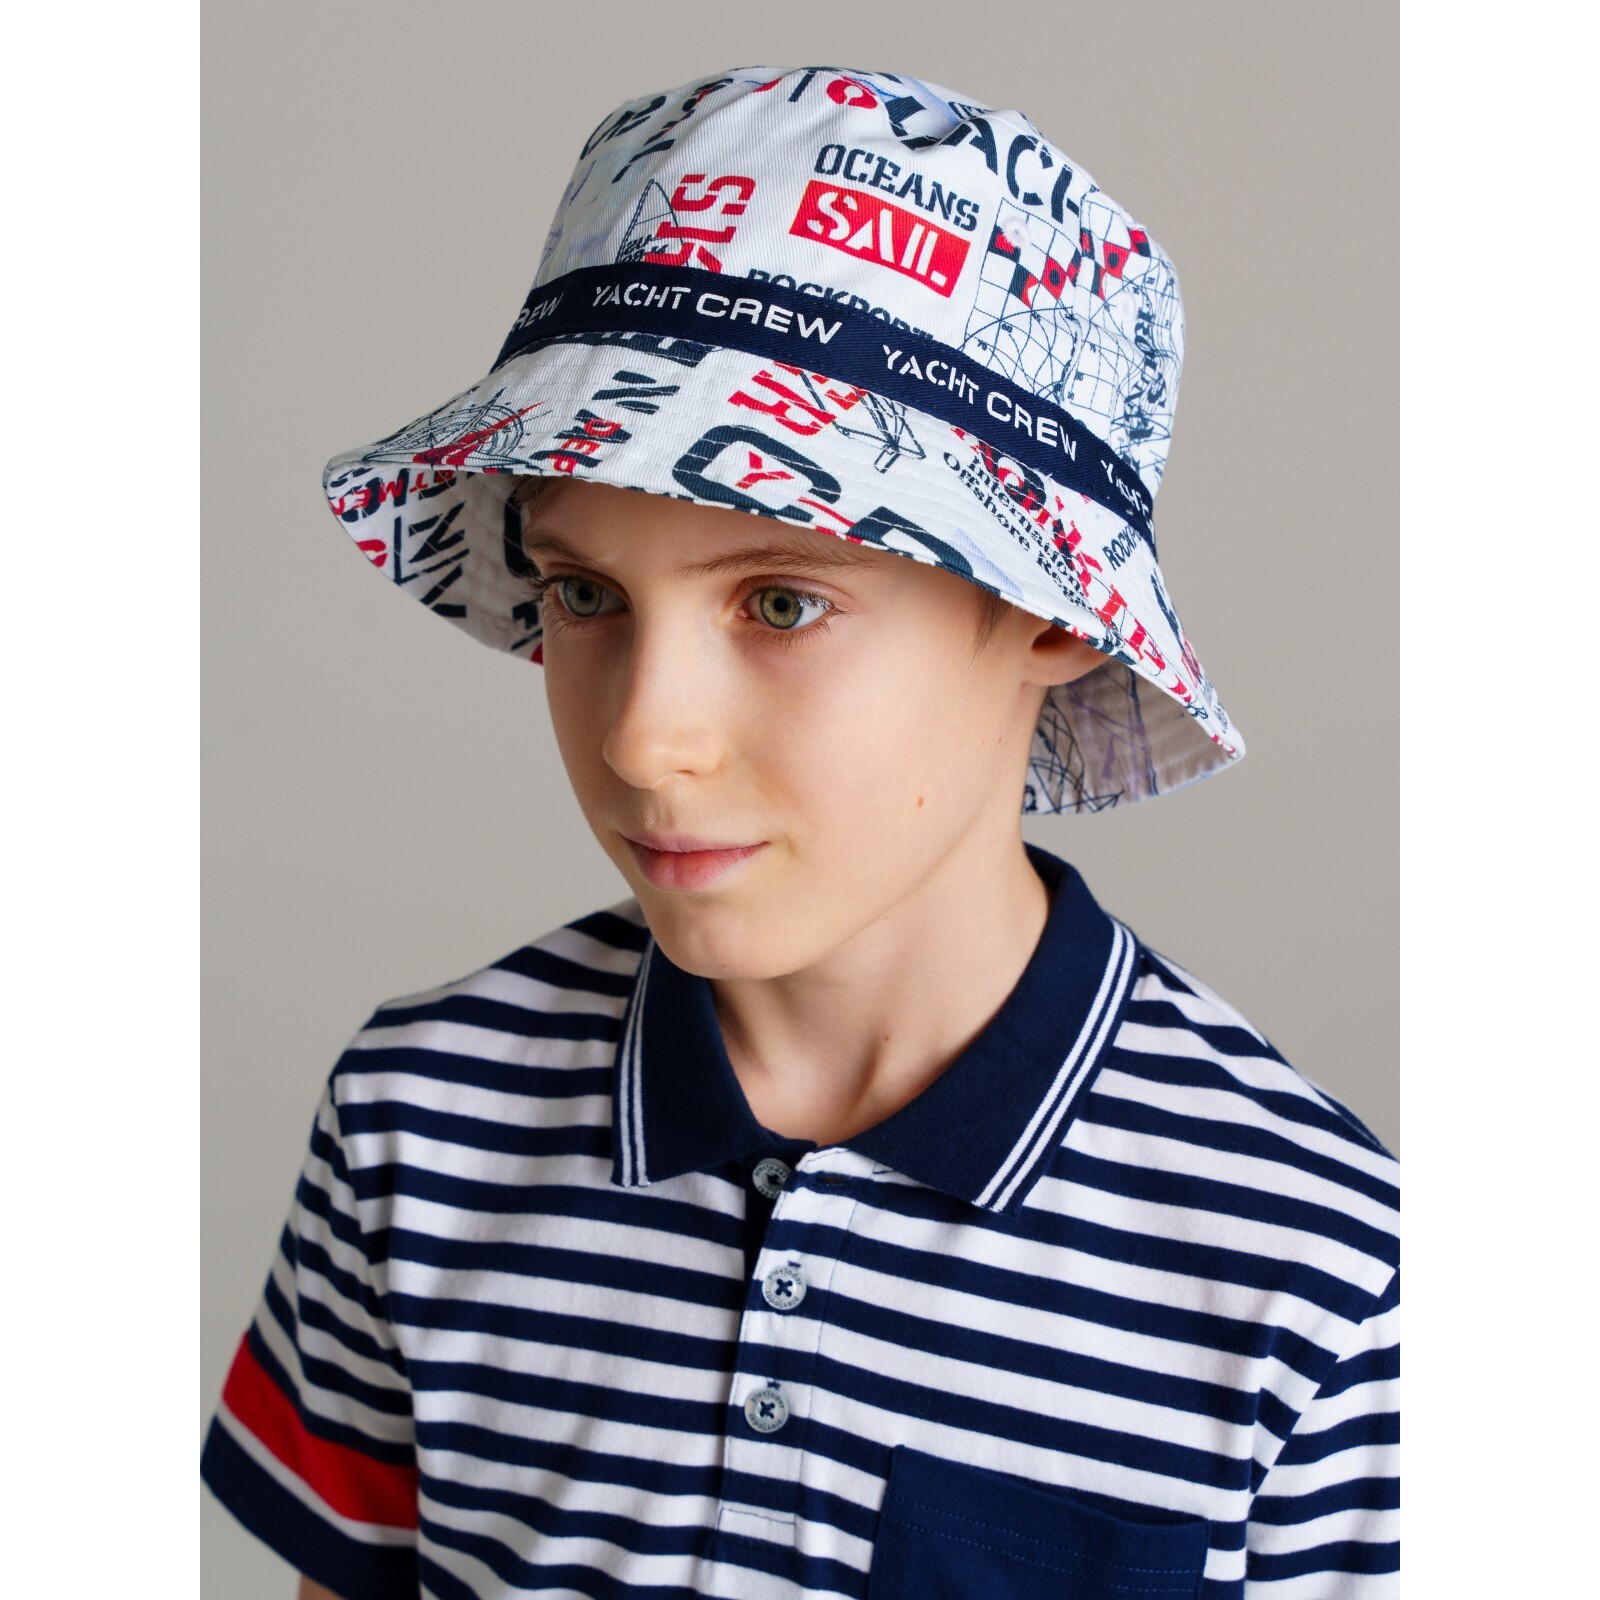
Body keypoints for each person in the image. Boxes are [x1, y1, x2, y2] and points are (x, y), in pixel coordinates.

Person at [201, 65, 1399, 1600]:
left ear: (1048, 612)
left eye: (779, 602)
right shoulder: (420, 1123)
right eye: (585, 594)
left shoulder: (1310, 1275)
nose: (643, 738)